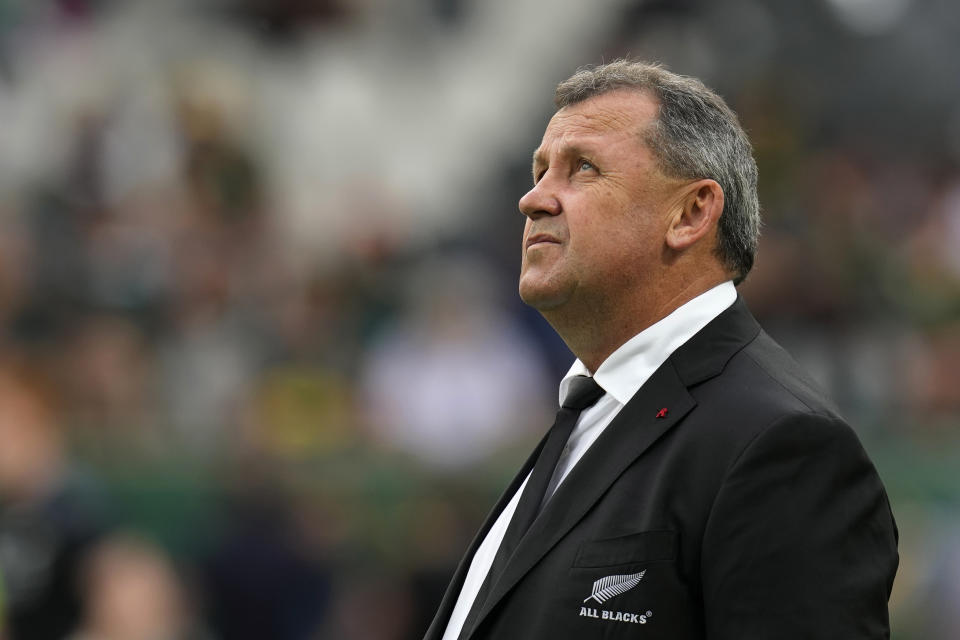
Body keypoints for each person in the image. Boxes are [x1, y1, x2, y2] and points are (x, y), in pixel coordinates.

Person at [423, 60, 898, 640]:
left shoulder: (782, 447)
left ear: (692, 213)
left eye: (583, 169)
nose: (534, 199)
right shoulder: (591, 410)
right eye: (541, 170)